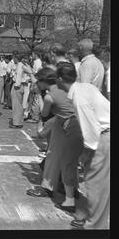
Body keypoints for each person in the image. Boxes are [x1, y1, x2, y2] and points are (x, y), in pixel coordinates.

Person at [56, 62, 110, 229]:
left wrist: (84, 155)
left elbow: (92, 132)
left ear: (59, 79)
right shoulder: (86, 87)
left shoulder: (79, 97)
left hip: (103, 137)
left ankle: (95, 227)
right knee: (101, 184)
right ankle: (95, 219)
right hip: (106, 133)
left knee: (95, 184)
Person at [26, 67, 83, 214]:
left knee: (53, 155)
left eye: (39, 81)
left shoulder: (49, 96)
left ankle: (48, 187)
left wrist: (39, 96)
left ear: (45, 82)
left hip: (64, 122)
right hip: (74, 121)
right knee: (71, 159)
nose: (37, 83)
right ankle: (71, 189)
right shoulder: (62, 87)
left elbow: (44, 114)